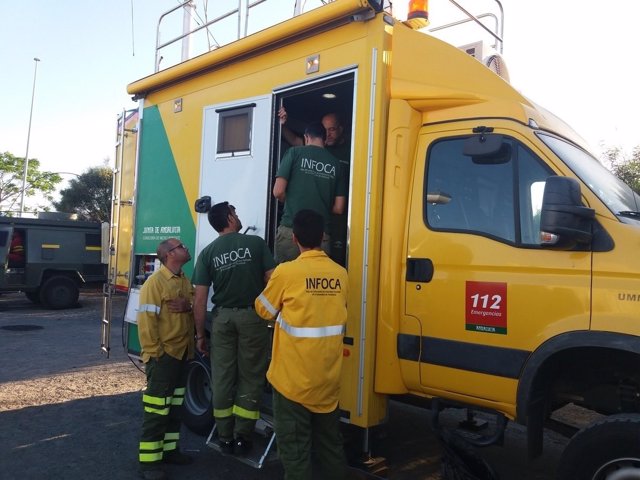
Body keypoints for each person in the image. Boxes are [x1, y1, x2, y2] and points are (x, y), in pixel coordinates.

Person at [255, 209, 349, 479]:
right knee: (331, 448)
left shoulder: (287, 272)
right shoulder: (340, 274)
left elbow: (263, 310)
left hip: (292, 383)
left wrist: (270, 286)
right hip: (328, 381)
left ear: (294, 238)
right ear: (323, 237)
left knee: (295, 454)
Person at [191, 202, 276, 455]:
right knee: (251, 378)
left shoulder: (207, 253)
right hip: (252, 317)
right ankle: (243, 438)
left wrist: (199, 335)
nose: (238, 217)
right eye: (235, 213)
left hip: (222, 320)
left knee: (222, 378)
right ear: (228, 218)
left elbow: (199, 299)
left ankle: (225, 437)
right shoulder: (256, 244)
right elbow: (273, 279)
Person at [137, 238, 195, 480]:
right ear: (170, 254)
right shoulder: (155, 283)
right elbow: (146, 323)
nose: (186, 249)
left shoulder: (183, 279)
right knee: (156, 411)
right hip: (164, 358)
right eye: (181, 246)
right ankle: (149, 465)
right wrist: (156, 354)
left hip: (182, 354)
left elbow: (191, 306)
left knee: (174, 408)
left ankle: (170, 452)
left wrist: (189, 305)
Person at [278, 106, 351, 265]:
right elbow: (339, 207)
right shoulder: (335, 164)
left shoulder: (295, 153)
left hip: (292, 228)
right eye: (325, 130)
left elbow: (278, 192)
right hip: (321, 233)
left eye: (332, 129)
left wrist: (292, 200)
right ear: (322, 136)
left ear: (341, 129)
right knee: (316, 281)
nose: (328, 134)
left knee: (287, 280)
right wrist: (283, 125)